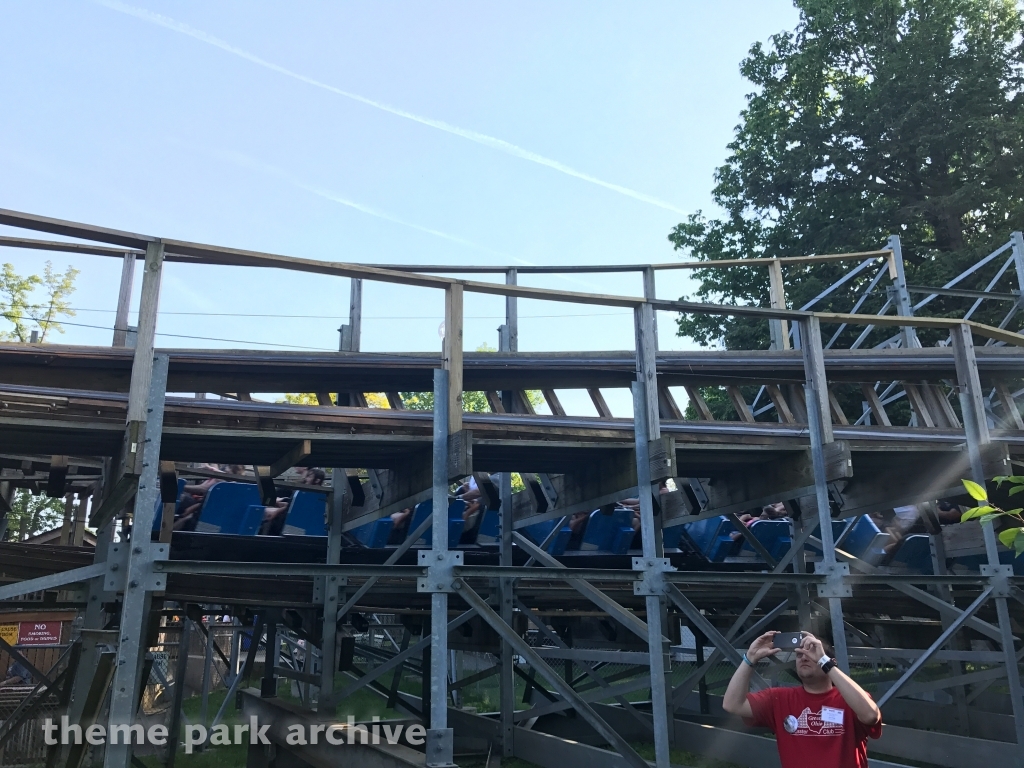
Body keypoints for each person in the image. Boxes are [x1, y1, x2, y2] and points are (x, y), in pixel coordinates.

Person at [723, 631, 882, 768]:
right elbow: (732, 704)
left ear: (830, 662)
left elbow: (870, 715)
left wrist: (824, 662)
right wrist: (749, 658)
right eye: (799, 654)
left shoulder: (849, 699)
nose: (803, 658)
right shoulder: (779, 699)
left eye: (812, 653)